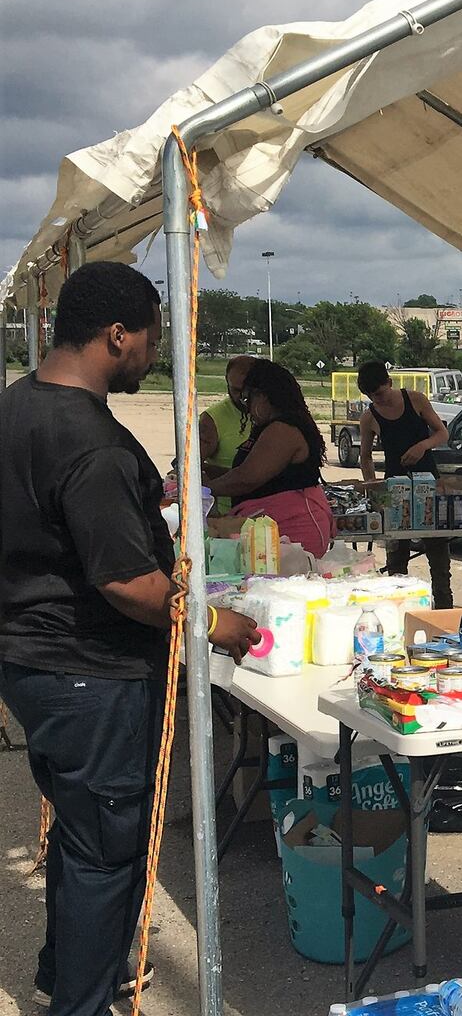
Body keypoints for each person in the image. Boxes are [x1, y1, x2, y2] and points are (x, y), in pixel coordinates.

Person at [0, 261, 258, 1016]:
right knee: (105, 852)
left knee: (83, 838)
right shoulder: (92, 444)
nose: (155, 353)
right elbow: (127, 584)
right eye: (152, 337)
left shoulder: (19, 406)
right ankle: (78, 1002)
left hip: (31, 659)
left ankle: (67, 969)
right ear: (118, 335)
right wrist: (216, 622)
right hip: (90, 673)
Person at [205, 358, 336, 556]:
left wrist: (203, 490)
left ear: (264, 396)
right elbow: (255, 472)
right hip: (269, 526)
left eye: (249, 399)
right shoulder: (270, 426)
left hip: (293, 527)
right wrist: (208, 473)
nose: (247, 408)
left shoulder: (283, 429)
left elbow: (247, 478)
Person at [357, 361, 453, 606]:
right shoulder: (369, 417)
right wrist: (372, 489)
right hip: (394, 491)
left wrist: (422, 446)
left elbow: (442, 433)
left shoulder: (416, 400)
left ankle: (444, 610)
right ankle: (400, 609)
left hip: (428, 486)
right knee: (396, 562)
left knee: (439, 561)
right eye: (371, 396)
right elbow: (365, 457)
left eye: (379, 393)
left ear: (389, 383)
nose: (377, 400)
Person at [197, 354, 258, 515]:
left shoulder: (271, 415)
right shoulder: (211, 420)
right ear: (226, 382)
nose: (243, 397)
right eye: (236, 390)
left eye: (248, 390)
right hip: (229, 516)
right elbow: (190, 465)